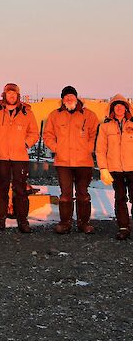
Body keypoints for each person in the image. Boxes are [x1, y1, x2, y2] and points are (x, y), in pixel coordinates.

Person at [43, 86, 99, 235]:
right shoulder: (55, 115)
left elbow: (95, 134)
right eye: (66, 97)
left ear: (76, 97)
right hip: (63, 162)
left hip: (84, 161)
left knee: (83, 193)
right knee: (65, 193)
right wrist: (57, 148)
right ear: (62, 99)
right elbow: (47, 135)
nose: (69, 99)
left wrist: (89, 148)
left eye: (71, 96)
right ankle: (65, 223)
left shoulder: (89, 115)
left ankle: (84, 223)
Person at [0, 83, 39, 233]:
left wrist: (25, 143)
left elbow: (34, 133)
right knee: (1, 188)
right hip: (2, 156)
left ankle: (23, 221)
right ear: (4, 95)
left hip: (20, 157)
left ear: (18, 96)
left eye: (14, 94)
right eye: (9, 94)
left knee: (20, 190)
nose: (11, 96)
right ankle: (0, 220)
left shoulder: (26, 114)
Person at [95, 95, 133, 240]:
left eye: (121, 105)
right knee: (120, 198)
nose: (119, 108)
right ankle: (123, 227)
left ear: (126, 108)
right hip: (115, 169)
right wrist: (103, 168)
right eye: (116, 105)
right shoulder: (105, 127)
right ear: (112, 108)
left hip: (132, 167)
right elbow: (100, 149)